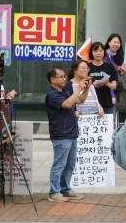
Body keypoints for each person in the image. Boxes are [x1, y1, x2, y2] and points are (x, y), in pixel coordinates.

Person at [45, 67, 91, 202]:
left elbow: (80, 100)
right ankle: (54, 192)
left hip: (71, 133)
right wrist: (79, 88)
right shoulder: (52, 95)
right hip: (61, 134)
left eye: (65, 76)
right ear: (52, 80)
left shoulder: (64, 91)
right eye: (61, 77)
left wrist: (86, 89)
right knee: (59, 164)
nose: (65, 79)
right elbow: (66, 104)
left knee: (70, 164)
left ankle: (65, 190)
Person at [87, 42, 118, 118]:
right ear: (91, 52)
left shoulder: (110, 67)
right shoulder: (87, 67)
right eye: (95, 51)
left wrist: (108, 84)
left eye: (101, 51)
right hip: (91, 103)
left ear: (104, 52)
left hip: (107, 103)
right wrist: (93, 85)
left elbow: (114, 86)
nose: (98, 53)